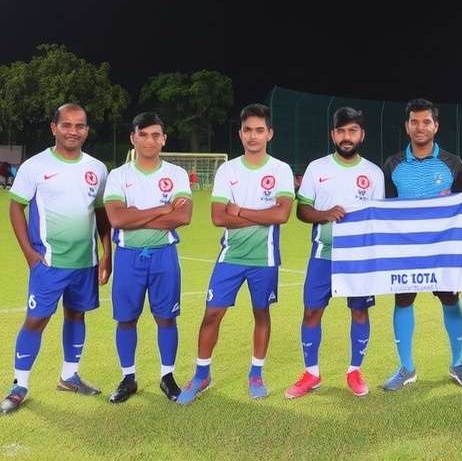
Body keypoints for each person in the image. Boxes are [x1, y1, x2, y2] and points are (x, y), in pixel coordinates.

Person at [178, 104, 294, 404]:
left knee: (261, 313)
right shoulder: (228, 170)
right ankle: (202, 374)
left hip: (264, 259)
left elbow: (281, 215)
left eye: (259, 130)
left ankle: (256, 373)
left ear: (269, 133)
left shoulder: (280, 169)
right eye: (247, 130)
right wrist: (261, 214)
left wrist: (240, 209)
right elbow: (218, 217)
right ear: (240, 133)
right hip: (230, 257)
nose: (252, 136)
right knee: (212, 314)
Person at [0, 104, 111, 415]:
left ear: (87, 130)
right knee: (36, 320)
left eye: (80, 125)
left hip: (85, 263)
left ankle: (69, 376)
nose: (73, 131)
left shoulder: (98, 168)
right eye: (66, 125)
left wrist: (106, 254)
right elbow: (15, 208)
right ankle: (19, 385)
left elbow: (101, 215)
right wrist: (29, 253)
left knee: (77, 316)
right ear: (54, 127)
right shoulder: (35, 166)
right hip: (48, 263)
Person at [285, 107, 385, 399]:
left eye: (352, 130)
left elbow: (379, 217)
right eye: (341, 131)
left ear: (361, 135)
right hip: (323, 254)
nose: (346, 136)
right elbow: (302, 211)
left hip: (359, 258)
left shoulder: (373, 173)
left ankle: (355, 371)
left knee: (359, 311)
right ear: (333, 134)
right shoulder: (317, 169)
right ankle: (311, 374)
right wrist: (324, 213)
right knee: (312, 311)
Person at [381, 98, 462, 391]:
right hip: (406, 250)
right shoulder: (393, 164)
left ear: (435, 126)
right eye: (414, 122)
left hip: (442, 249)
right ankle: (406, 368)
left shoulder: (453, 162)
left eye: (426, 122)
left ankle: (458, 363)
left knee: (450, 299)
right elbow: (386, 208)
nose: (420, 127)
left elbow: (461, 209)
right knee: (403, 300)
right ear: (407, 126)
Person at [104, 112, 193, 403]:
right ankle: (128, 378)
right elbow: (117, 218)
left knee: (166, 319)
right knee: (126, 320)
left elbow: (183, 215)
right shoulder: (118, 176)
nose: (149, 140)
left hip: (164, 257)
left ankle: (167, 377)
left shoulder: (176, 174)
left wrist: (137, 216)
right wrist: (162, 209)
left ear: (164, 139)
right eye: (143, 134)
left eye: (156, 135)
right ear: (133, 138)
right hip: (128, 258)